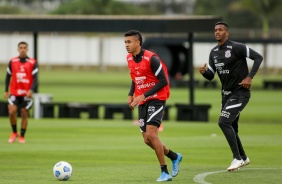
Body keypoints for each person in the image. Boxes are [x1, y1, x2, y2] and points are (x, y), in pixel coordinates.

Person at [199, 22, 263, 171]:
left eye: (220, 30)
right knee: (232, 126)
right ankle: (244, 158)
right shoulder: (214, 52)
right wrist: (204, 73)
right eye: (215, 30)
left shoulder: (237, 47)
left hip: (240, 93)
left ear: (227, 33)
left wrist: (249, 77)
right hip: (225, 95)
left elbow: (258, 57)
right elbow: (211, 76)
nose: (217, 32)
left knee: (223, 122)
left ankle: (237, 158)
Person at [124, 30, 182, 182]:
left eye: (129, 42)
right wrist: (131, 94)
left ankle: (165, 172)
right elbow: (134, 78)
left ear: (138, 43)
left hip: (157, 98)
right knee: (147, 139)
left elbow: (163, 81)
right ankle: (174, 156)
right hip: (142, 100)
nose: (127, 45)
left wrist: (144, 95)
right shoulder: (129, 58)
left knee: (151, 134)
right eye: (125, 42)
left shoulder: (152, 58)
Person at [4, 41, 39, 144]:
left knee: (24, 113)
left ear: (27, 49)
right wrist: (6, 90)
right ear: (18, 49)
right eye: (21, 47)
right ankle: (14, 132)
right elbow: (8, 76)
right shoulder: (13, 61)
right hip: (14, 91)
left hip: (26, 93)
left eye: (24, 47)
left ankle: (22, 136)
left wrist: (31, 89)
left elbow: (36, 78)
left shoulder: (32, 62)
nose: (23, 49)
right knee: (11, 111)